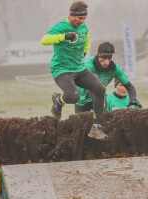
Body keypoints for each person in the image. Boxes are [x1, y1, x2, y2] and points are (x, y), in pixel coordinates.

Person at [41, 1, 108, 141]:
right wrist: (64, 37)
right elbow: (45, 40)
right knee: (73, 96)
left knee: (100, 89)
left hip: (79, 68)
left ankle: (96, 127)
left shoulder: (83, 26)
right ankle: (59, 100)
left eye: (84, 18)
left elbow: (87, 38)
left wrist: (84, 52)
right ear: (72, 15)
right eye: (80, 18)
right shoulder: (61, 27)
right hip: (62, 70)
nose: (82, 21)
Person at [75, 42, 141, 114]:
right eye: (103, 59)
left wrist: (133, 100)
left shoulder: (115, 69)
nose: (106, 62)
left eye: (108, 59)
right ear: (98, 56)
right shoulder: (88, 65)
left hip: (98, 95)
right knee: (81, 123)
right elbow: (90, 88)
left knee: (103, 118)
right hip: (82, 98)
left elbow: (129, 87)